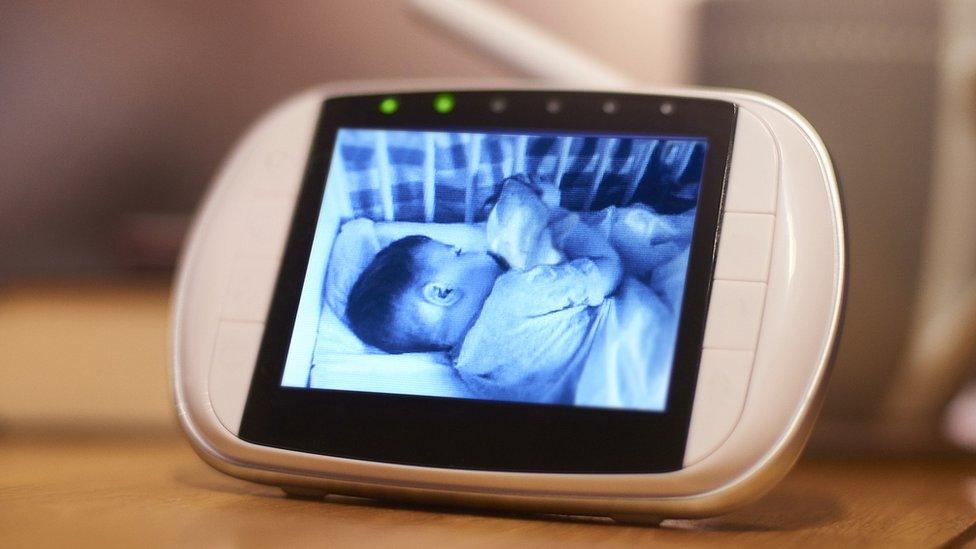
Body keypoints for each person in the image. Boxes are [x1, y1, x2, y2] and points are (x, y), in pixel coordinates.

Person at [345, 192, 623, 404]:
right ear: (443, 293)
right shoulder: (515, 292)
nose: (475, 251)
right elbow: (609, 267)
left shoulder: (470, 374)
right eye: (457, 253)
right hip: (628, 353)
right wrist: (553, 215)